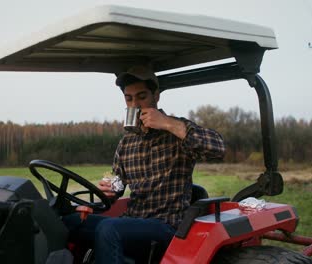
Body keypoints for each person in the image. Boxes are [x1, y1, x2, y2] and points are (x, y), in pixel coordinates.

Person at [64, 65, 225, 263]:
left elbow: (217, 148)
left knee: (109, 228)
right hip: (132, 221)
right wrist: (107, 190)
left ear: (156, 96)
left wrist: (167, 123)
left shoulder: (177, 131)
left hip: (167, 225)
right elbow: (117, 185)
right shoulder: (127, 142)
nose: (135, 104)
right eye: (129, 98)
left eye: (142, 97)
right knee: (68, 222)